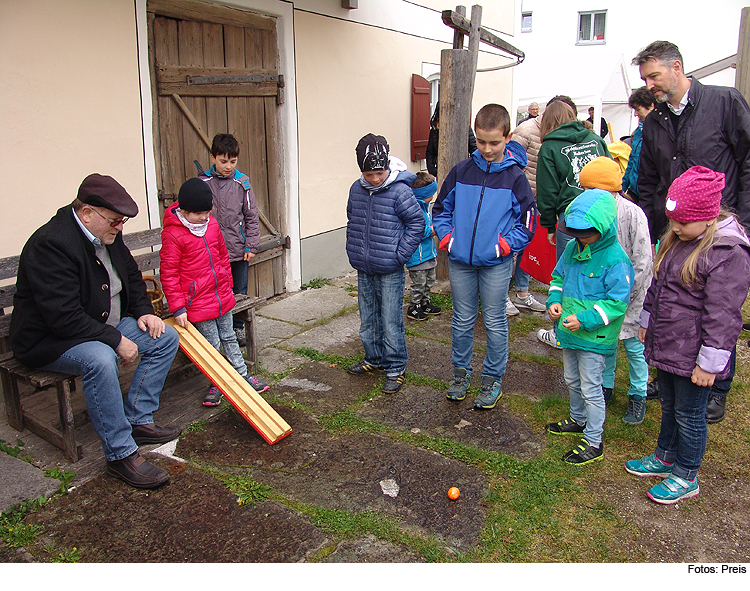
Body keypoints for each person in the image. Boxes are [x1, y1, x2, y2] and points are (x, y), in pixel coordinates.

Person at [10, 174, 181, 489]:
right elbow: (63, 317)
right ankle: (119, 454)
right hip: (52, 340)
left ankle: (138, 420)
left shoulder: (106, 235)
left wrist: (144, 312)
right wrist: (117, 340)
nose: (118, 227)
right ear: (87, 212)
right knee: (101, 359)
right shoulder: (51, 244)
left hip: (103, 326)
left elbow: (131, 275)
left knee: (166, 337)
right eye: (114, 221)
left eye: (121, 222)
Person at [633, 40, 750, 423]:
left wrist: (744, 220)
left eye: (654, 75)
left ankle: (716, 385)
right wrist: (656, 226)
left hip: (716, 230)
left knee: (714, 308)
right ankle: (669, 370)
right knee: (670, 301)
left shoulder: (724, 102)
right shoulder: (655, 121)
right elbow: (649, 177)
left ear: (677, 67)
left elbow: (747, 158)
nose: (649, 84)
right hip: (673, 231)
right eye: (645, 78)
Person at [625, 166, 750, 504]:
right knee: (669, 404)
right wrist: (646, 320)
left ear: (708, 218)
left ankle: (686, 474)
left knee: (690, 414)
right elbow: (658, 285)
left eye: (683, 222)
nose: (675, 228)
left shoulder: (727, 255)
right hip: (669, 345)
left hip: (694, 353)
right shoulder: (680, 240)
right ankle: (665, 456)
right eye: (673, 221)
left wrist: (710, 364)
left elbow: (723, 316)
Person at [432, 103, 536, 409]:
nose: (487, 149)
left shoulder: (516, 178)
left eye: (494, 142)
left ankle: (492, 379)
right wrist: (449, 239)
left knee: (494, 321)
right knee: (462, 320)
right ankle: (460, 374)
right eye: (481, 141)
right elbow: (440, 209)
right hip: (460, 261)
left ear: (508, 136)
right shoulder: (461, 171)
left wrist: (504, 246)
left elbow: (528, 221)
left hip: (497, 264)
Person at [159, 177, 269, 407]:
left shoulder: (212, 226)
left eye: (207, 213)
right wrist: (178, 306)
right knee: (211, 343)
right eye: (198, 214)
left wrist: (227, 283)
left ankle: (242, 375)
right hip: (198, 301)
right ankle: (216, 383)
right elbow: (169, 274)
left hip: (220, 295)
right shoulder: (173, 234)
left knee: (229, 336)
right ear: (183, 210)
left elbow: (221, 256)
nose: (203, 218)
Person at [544, 189, 634, 464]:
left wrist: (584, 319)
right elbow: (558, 277)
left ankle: (594, 440)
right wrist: (554, 299)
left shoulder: (616, 260)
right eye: (576, 233)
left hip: (594, 337)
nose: (580, 239)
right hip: (570, 333)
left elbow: (617, 303)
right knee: (571, 380)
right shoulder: (573, 248)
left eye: (586, 234)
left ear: (604, 228)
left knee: (591, 387)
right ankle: (578, 419)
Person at [346, 134, 424, 394]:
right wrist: (354, 251)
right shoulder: (356, 190)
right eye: (369, 174)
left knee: (391, 320)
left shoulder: (400, 191)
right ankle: (374, 358)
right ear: (361, 171)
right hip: (364, 267)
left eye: (379, 172)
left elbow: (417, 223)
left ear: (388, 166)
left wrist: (399, 255)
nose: (375, 178)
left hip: (390, 269)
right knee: (368, 318)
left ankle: (395, 367)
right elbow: (352, 220)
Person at [579, 157, 653, 424]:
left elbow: (643, 257)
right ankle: (605, 386)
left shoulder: (632, 214)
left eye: (591, 190)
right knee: (605, 343)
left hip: (632, 294)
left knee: (634, 346)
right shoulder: (588, 213)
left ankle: (638, 393)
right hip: (601, 293)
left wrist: (630, 291)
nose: (586, 196)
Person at [535, 97, 611, 349]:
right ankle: (594, 325)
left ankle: (562, 333)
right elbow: (611, 173)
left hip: (573, 219)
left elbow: (547, 190)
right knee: (601, 272)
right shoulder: (596, 139)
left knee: (568, 275)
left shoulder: (549, 147)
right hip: (602, 215)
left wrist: (548, 225)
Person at [199, 134, 260, 348]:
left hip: (237, 249)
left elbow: (251, 215)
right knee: (214, 289)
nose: (228, 166)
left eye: (232, 161)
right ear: (213, 157)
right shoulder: (203, 183)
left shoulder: (242, 184)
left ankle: (236, 328)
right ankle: (216, 330)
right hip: (211, 251)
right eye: (223, 161)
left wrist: (251, 244)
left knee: (239, 290)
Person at [508, 107, 547, 316]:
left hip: (537, 200)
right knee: (511, 249)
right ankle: (502, 295)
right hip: (519, 198)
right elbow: (511, 161)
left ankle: (522, 293)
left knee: (528, 247)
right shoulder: (526, 130)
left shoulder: (552, 133)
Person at [405, 172, 441, 321]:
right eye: (431, 194)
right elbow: (415, 231)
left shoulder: (425, 207)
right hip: (417, 256)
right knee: (419, 284)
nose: (433, 196)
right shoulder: (413, 209)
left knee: (429, 281)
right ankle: (413, 307)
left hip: (428, 253)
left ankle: (425, 303)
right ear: (423, 194)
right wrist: (433, 230)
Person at [425, 101, 478, 177]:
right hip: (442, 172)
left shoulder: (464, 127)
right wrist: (433, 171)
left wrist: (469, 168)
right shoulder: (435, 130)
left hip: (461, 170)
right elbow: (430, 153)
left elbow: (474, 148)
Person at [621, 87, 655, 203]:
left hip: (649, 194)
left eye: (638, 109)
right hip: (634, 191)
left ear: (651, 106)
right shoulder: (638, 132)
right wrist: (623, 187)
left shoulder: (659, 133)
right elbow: (632, 160)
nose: (635, 114)